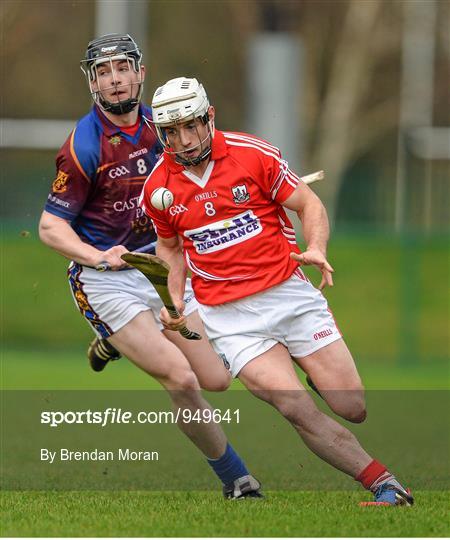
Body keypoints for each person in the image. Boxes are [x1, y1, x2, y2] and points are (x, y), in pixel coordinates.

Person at [140, 76, 414, 506]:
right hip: (229, 318)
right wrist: (173, 301)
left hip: (288, 294)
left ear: (209, 117)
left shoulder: (254, 154)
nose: (184, 140)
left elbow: (308, 204)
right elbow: (171, 250)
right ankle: (385, 484)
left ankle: (313, 369)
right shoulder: (157, 190)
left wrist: (317, 247)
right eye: (171, 132)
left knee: (352, 406)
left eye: (191, 125)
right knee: (294, 408)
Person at [38, 35, 262, 499]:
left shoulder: (165, 126)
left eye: (122, 68)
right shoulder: (83, 144)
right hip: (106, 280)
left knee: (216, 380)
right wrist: (100, 257)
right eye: (103, 71)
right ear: (92, 82)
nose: (114, 79)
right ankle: (237, 479)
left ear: (141, 73)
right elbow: (49, 228)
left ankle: (111, 341)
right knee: (180, 378)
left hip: (161, 269)